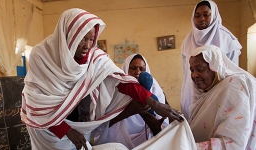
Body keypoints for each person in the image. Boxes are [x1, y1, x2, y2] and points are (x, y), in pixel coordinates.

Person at [20, 8, 183, 150]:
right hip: (47, 130)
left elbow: (121, 82)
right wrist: (66, 131)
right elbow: (37, 105)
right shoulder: (42, 57)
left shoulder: (95, 58)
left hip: (79, 124)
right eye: (83, 38)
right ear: (69, 34)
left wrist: (154, 103)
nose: (87, 45)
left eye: (92, 39)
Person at [180, 0, 242, 120]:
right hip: (192, 92)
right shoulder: (187, 42)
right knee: (194, 127)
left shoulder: (227, 40)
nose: (201, 19)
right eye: (197, 16)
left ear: (213, 15)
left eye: (206, 14)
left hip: (219, 93)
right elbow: (186, 72)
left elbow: (232, 72)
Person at [188, 45, 256, 149]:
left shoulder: (234, 86)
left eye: (200, 69)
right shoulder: (207, 92)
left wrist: (186, 147)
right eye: (192, 70)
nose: (194, 75)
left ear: (215, 66)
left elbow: (232, 144)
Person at [100, 54, 169, 149]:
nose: (137, 72)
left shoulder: (154, 89)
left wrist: (147, 113)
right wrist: (130, 110)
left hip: (148, 140)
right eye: (133, 68)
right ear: (125, 69)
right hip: (119, 141)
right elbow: (103, 125)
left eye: (142, 69)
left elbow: (163, 128)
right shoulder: (115, 90)